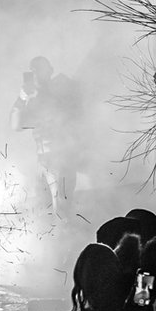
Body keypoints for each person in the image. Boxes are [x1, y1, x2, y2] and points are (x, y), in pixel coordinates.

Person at [23, 56, 89, 221]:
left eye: (38, 70)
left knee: (62, 201)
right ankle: (51, 236)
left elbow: (71, 114)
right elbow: (27, 121)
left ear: (49, 70)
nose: (36, 75)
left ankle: (65, 234)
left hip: (63, 154)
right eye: (33, 71)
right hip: (44, 157)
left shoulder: (62, 85)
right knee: (43, 202)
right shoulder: (35, 95)